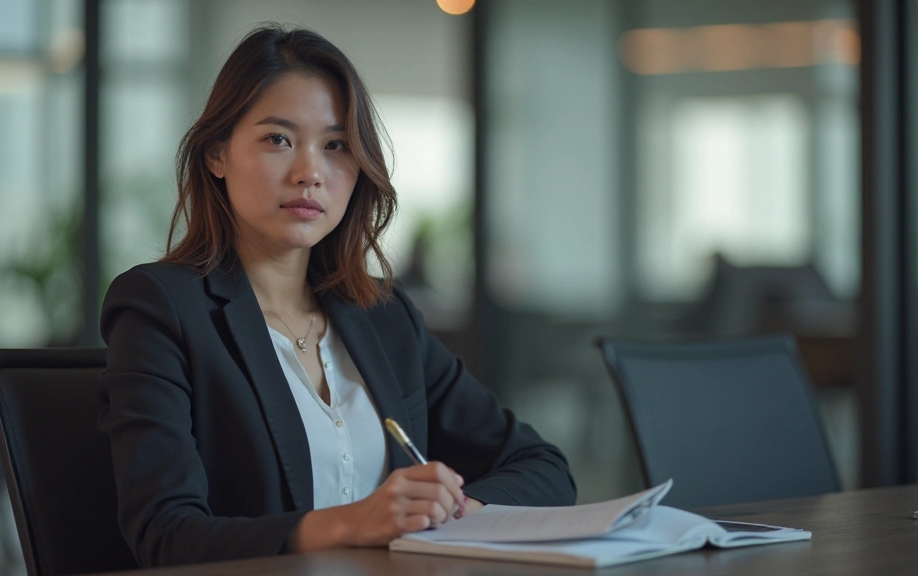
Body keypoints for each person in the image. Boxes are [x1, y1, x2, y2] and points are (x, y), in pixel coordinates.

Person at [98, 24, 576, 568]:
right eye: (278, 139)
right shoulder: (161, 307)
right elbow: (166, 535)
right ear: (216, 154)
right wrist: (353, 522)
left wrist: (451, 511)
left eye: (336, 146)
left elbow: (542, 466)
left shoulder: (384, 316)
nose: (310, 173)